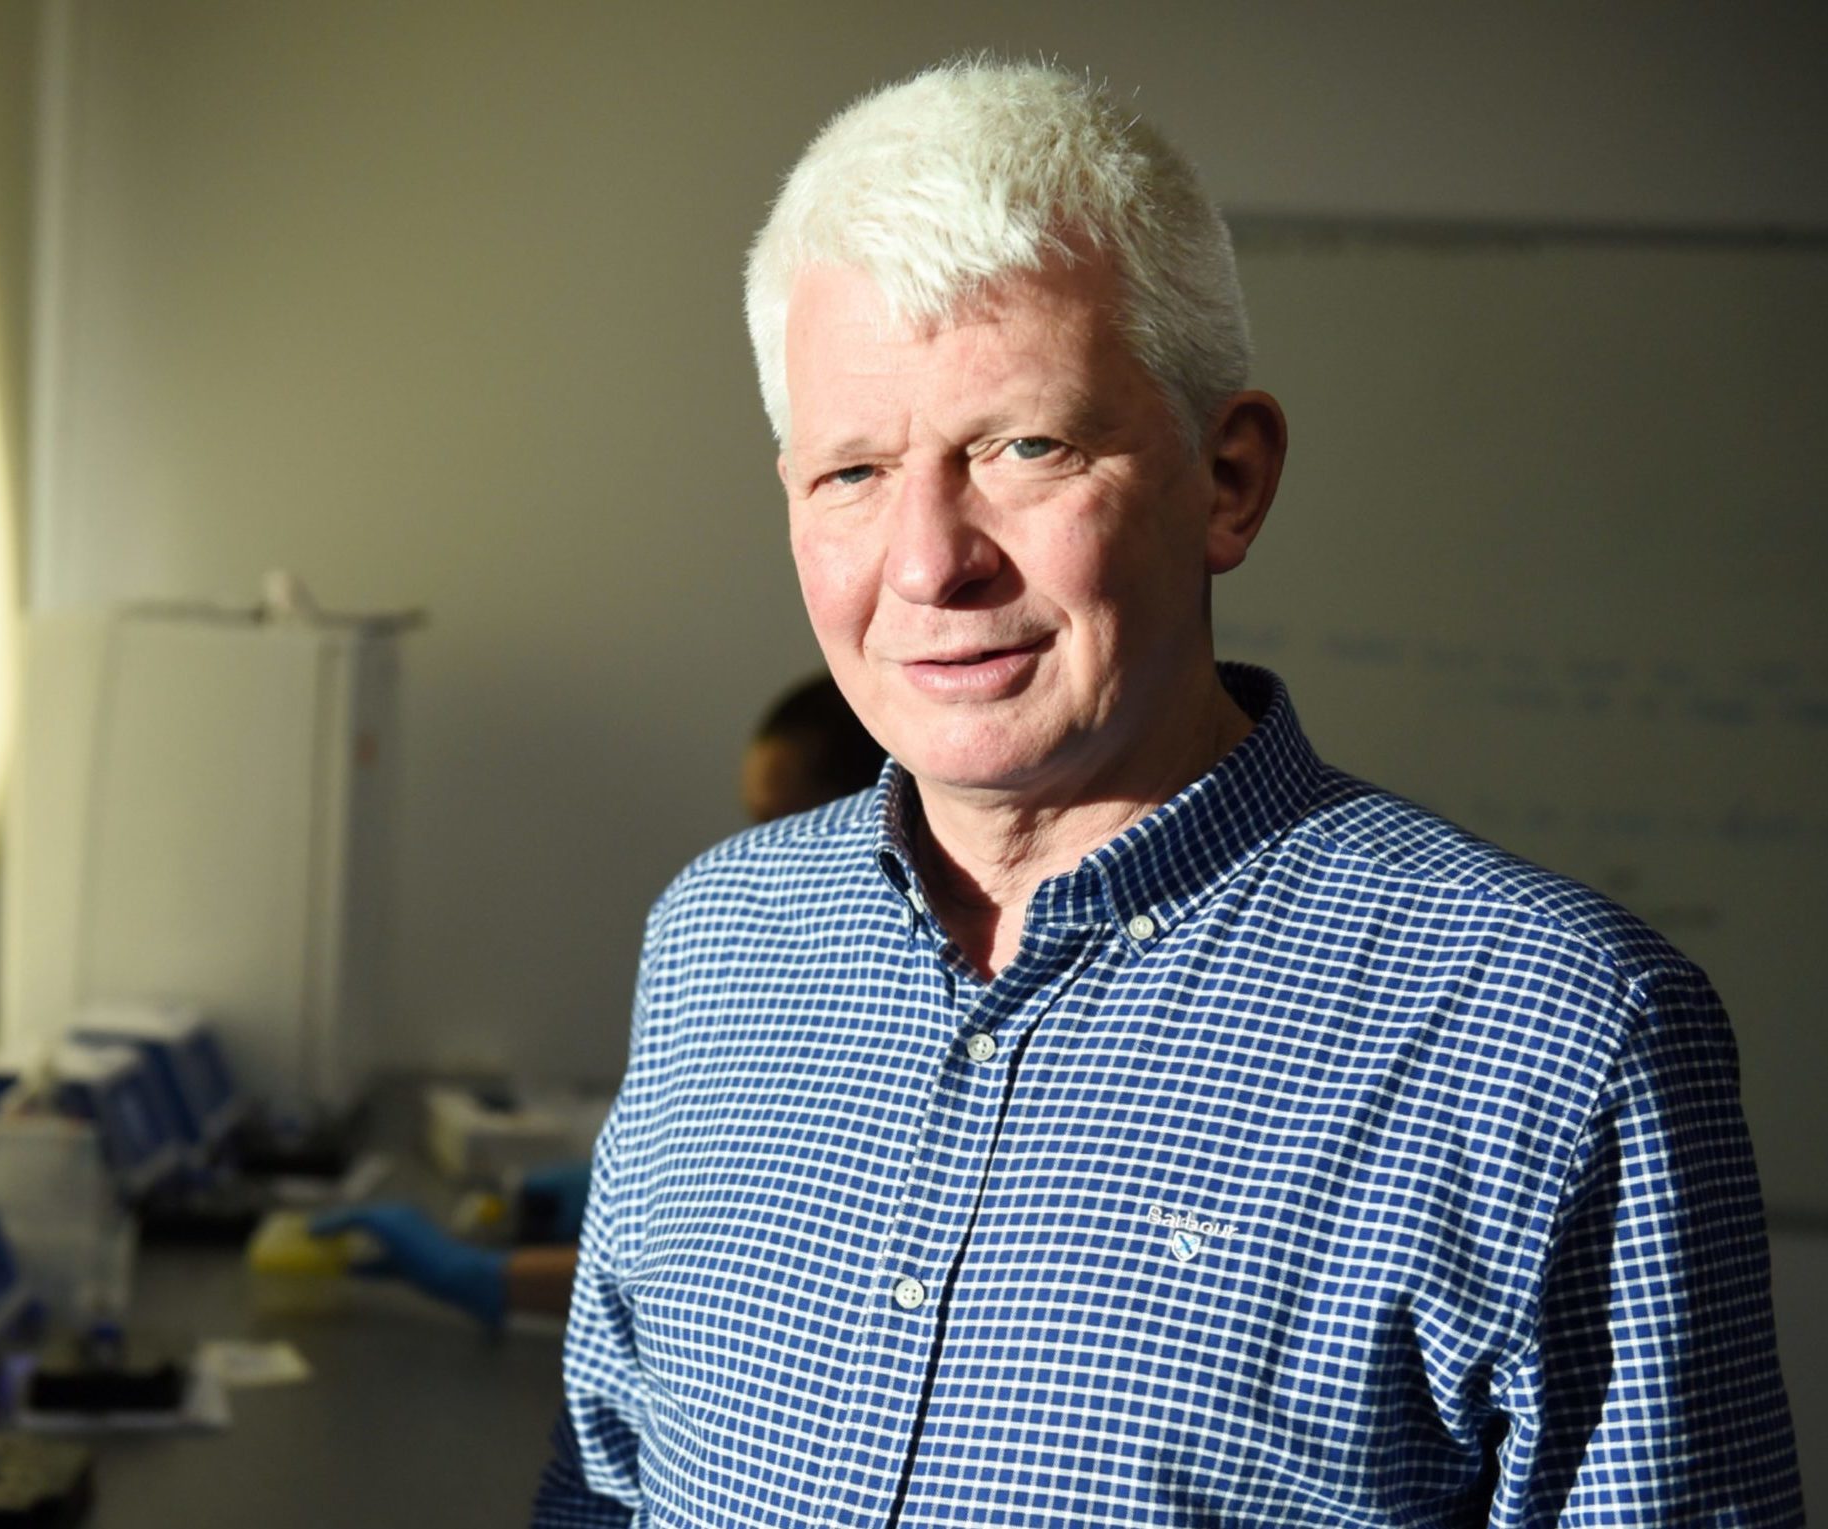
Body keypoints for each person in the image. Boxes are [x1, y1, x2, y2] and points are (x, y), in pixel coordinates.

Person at [535, 58, 1800, 1527]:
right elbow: (603, 1484)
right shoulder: (718, 940)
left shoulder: (1555, 1041)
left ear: (1229, 481)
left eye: (1024, 447)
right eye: (856, 471)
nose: (930, 563)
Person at [317, 674, 885, 1329]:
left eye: (782, 825)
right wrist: (631, 1186)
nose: (761, 857)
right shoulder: (806, 968)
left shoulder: (905, 1014)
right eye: (753, 823)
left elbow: (748, 1268)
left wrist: (483, 1276)